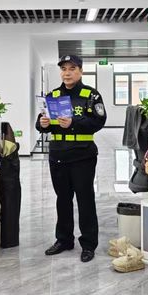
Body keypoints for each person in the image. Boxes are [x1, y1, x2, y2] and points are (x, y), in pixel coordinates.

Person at [36, 55, 107, 263]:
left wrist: (74, 123)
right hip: (58, 155)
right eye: (64, 69)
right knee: (63, 199)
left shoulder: (90, 95)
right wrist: (43, 124)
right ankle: (64, 240)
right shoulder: (53, 96)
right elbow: (40, 123)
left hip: (83, 155)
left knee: (85, 200)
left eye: (72, 68)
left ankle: (88, 244)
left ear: (81, 71)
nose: (67, 73)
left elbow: (99, 121)